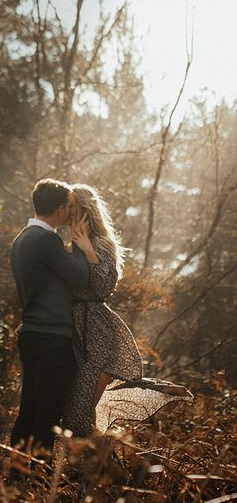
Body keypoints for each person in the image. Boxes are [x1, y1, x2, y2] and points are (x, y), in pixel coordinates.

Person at [62, 183, 192, 437]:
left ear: (85, 211)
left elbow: (102, 288)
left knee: (79, 413)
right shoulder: (67, 243)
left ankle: (98, 469)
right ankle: (102, 472)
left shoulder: (100, 244)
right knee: (80, 414)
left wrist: (88, 250)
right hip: (73, 331)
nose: (67, 212)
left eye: (72, 207)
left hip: (97, 335)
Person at [9, 178, 99, 453]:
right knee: (48, 413)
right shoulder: (46, 239)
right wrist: (81, 247)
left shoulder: (21, 239)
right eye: (69, 208)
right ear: (60, 209)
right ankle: (35, 477)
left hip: (32, 333)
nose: (72, 213)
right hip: (51, 337)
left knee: (30, 408)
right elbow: (80, 277)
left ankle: (16, 471)